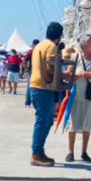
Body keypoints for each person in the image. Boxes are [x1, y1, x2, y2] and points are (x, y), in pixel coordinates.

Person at [29, 22, 64, 166]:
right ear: (59, 36)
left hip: (36, 86)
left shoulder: (40, 45)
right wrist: (56, 79)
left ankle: (39, 151)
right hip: (43, 87)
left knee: (47, 120)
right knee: (43, 121)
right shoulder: (51, 47)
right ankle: (37, 153)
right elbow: (50, 67)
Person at [66, 35, 91, 162]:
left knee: (87, 125)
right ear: (83, 46)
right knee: (73, 124)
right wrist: (80, 74)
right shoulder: (75, 57)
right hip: (77, 94)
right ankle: (70, 152)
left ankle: (84, 152)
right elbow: (68, 75)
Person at [25, 39, 39, 107]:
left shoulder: (30, 51)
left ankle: (28, 103)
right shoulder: (38, 51)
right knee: (34, 86)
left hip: (31, 70)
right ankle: (32, 102)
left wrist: (26, 69)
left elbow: (24, 61)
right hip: (36, 71)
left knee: (29, 86)